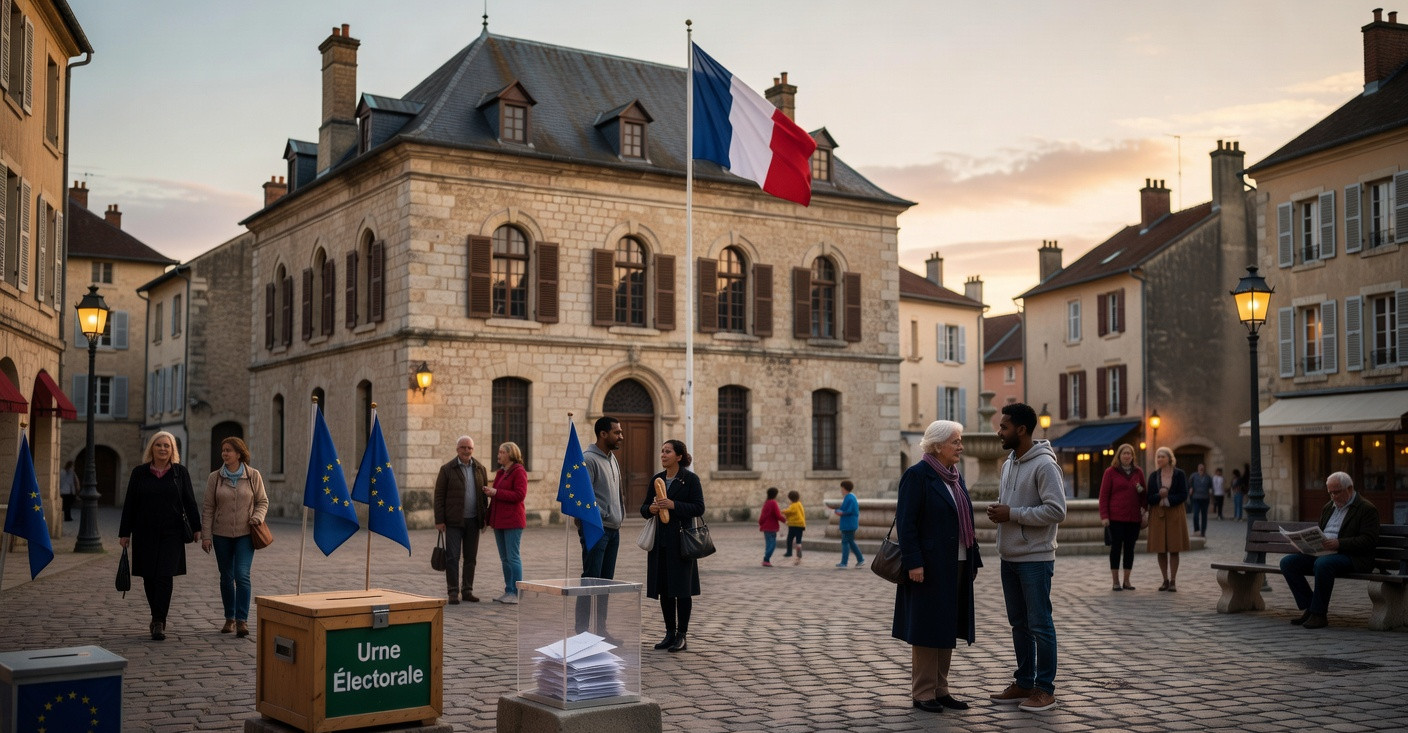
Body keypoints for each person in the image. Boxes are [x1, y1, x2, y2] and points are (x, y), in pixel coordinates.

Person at [892, 420, 980, 714]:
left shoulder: (955, 477)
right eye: (955, 441)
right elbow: (907, 524)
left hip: (956, 563)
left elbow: (966, 521)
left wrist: (973, 558)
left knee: (947, 626)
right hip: (928, 567)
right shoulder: (917, 476)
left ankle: (941, 689)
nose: (960, 447)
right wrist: (914, 563)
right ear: (938, 445)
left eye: (960, 441)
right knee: (927, 628)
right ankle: (923, 692)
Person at [987, 403, 1065, 713]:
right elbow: (1015, 505)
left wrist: (1013, 513)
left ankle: (1045, 689)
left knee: (1040, 624)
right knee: (1018, 624)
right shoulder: (1008, 463)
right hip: (1010, 557)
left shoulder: (1045, 465)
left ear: (1021, 430)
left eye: (1004, 426)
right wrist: (1002, 512)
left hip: (1035, 558)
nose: (999, 431)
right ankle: (1024, 681)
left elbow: (1057, 510)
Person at [118, 431, 201, 641]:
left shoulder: (180, 473)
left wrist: (197, 527)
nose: (163, 449)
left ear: (173, 450)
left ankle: (158, 620)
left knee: (165, 575)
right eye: (159, 445)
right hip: (144, 531)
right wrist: (124, 533)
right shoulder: (139, 473)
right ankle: (156, 614)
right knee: (149, 576)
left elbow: (189, 501)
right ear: (151, 448)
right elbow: (130, 504)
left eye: (167, 445)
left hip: (171, 533)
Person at [1279, 472, 1381, 629]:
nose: (1333, 496)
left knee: (1323, 564)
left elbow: (1368, 541)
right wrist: (1304, 544)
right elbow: (1320, 532)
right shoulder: (1328, 507)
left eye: (1337, 492)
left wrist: (1339, 544)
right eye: (1330, 493)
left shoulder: (1366, 509)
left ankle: (1319, 614)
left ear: (1350, 488)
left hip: (1352, 556)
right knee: (1288, 562)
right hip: (1324, 553)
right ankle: (1310, 608)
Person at [199, 437, 269, 637]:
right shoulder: (215, 477)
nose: (225, 453)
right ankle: (229, 617)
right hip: (221, 535)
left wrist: (257, 517)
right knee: (226, 577)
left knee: (242, 575)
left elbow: (262, 501)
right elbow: (208, 508)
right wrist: (206, 536)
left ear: (239, 453)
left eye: (229, 450)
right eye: (223, 450)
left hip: (246, 534)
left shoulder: (253, 475)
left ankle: (242, 620)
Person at [640, 439, 704, 653]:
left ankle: (682, 635)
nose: (663, 455)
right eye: (662, 451)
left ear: (679, 456)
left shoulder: (690, 480)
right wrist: (651, 508)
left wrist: (673, 505)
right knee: (665, 590)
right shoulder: (656, 479)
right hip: (661, 543)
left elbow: (699, 507)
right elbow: (643, 508)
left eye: (668, 452)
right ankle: (669, 633)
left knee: (682, 591)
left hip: (682, 543)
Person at [578, 416, 625, 632]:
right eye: (617, 432)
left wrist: (618, 515)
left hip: (613, 531)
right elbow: (583, 498)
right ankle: (582, 632)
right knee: (590, 582)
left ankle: (601, 631)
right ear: (603, 434)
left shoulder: (612, 458)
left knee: (606, 584)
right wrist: (605, 515)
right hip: (596, 530)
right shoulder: (588, 459)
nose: (621, 436)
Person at [434, 436, 489, 604]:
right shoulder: (447, 469)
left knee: (471, 557)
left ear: (473, 450)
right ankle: (452, 591)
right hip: (453, 521)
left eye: (469, 448)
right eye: (463, 447)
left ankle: (467, 590)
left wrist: (484, 519)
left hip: (473, 520)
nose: (466, 451)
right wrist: (439, 520)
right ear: (457, 449)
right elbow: (439, 496)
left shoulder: (480, 468)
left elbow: (483, 496)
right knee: (452, 557)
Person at [1098, 444, 1145, 591]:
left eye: (1129, 454)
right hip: (1115, 518)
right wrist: (1104, 516)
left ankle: (1127, 581)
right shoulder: (1110, 472)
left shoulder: (1138, 472)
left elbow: (1144, 495)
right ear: (1119, 456)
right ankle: (1115, 581)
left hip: (1133, 518)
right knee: (1116, 549)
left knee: (1130, 549)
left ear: (1132, 456)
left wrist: (1145, 509)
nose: (1127, 456)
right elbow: (1103, 496)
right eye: (1124, 453)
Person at [486, 442, 527, 604]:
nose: (499, 455)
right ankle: (508, 590)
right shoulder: (501, 473)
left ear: (510, 454)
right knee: (504, 558)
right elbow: (497, 497)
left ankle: (516, 593)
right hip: (499, 521)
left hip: (513, 521)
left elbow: (519, 495)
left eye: (502, 452)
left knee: (513, 557)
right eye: (499, 452)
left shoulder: (519, 472)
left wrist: (496, 492)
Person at [1146, 447, 1189, 592]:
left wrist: (1169, 497)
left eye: (1162, 457)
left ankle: (1173, 580)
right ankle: (1164, 579)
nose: (1159, 459)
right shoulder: (1153, 476)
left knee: (1174, 548)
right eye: (1157, 457)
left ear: (1169, 458)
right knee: (1161, 549)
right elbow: (1149, 498)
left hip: (1175, 513)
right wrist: (1159, 495)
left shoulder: (1179, 474)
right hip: (1158, 514)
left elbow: (1184, 494)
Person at [834, 480, 864, 568]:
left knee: (845, 542)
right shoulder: (850, 497)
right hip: (850, 523)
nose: (841, 490)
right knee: (850, 542)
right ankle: (860, 559)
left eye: (842, 488)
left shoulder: (849, 497)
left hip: (848, 524)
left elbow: (849, 510)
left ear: (845, 489)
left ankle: (844, 562)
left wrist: (840, 512)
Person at [758, 487, 785, 567]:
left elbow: (762, 515)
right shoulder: (773, 503)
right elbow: (778, 515)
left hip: (765, 527)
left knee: (768, 544)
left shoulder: (766, 503)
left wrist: (761, 523)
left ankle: (767, 561)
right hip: (772, 527)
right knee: (772, 544)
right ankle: (766, 559)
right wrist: (784, 520)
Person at [782, 490, 806, 565]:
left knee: (790, 539)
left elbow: (789, 511)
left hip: (794, 525)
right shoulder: (799, 504)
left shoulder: (794, 505)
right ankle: (798, 556)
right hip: (800, 525)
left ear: (790, 498)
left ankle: (790, 552)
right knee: (798, 541)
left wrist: (782, 511)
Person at [1188, 464, 1212, 537]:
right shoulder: (1194, 476)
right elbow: (1189, 484)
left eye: (1202, 468)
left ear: (1204, 469)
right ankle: (1196, 530)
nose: (1201, 469)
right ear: (1198, 468)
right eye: (1200, 468)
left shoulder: (1208, 477)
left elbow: (1210, 487)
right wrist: (1191, 488)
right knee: (1195, 515)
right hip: (1196, 498)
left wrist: (1211, 496)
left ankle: (1203, 532)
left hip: (1205, 498)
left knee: (1204, 516)